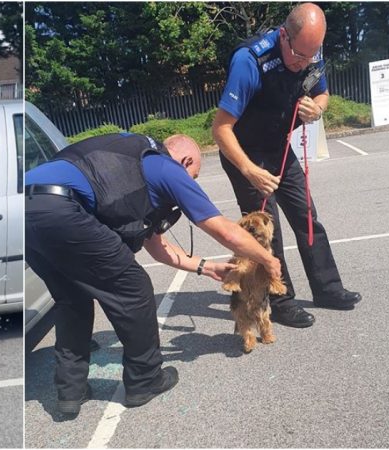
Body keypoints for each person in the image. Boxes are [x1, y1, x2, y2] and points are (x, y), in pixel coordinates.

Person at [25, 132, 282, 415]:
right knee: (134, 288)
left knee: (72, 300)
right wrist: (268, 261)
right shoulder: (165, 168)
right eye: (193, 176)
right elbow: (224, 230)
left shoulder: (130, 167)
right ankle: (144, 380)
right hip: (63, 208)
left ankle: (70, 391)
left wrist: (206, 267)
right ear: (185, 161)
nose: (189, 183)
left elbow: (157, 248)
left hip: (23, 209)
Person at [212, 3, 361, 329]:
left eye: (311, 56)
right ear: (283, 35)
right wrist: (249, 170)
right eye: (298, 55)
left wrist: (316, 109)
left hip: (279, 147)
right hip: (244, 152)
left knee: (307, 216)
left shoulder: (311, 51)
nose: (304, 63)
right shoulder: (250, 61)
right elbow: (220, 129)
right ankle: (281, 301)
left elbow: (323, 95)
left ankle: (328, 288)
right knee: (267, 232)